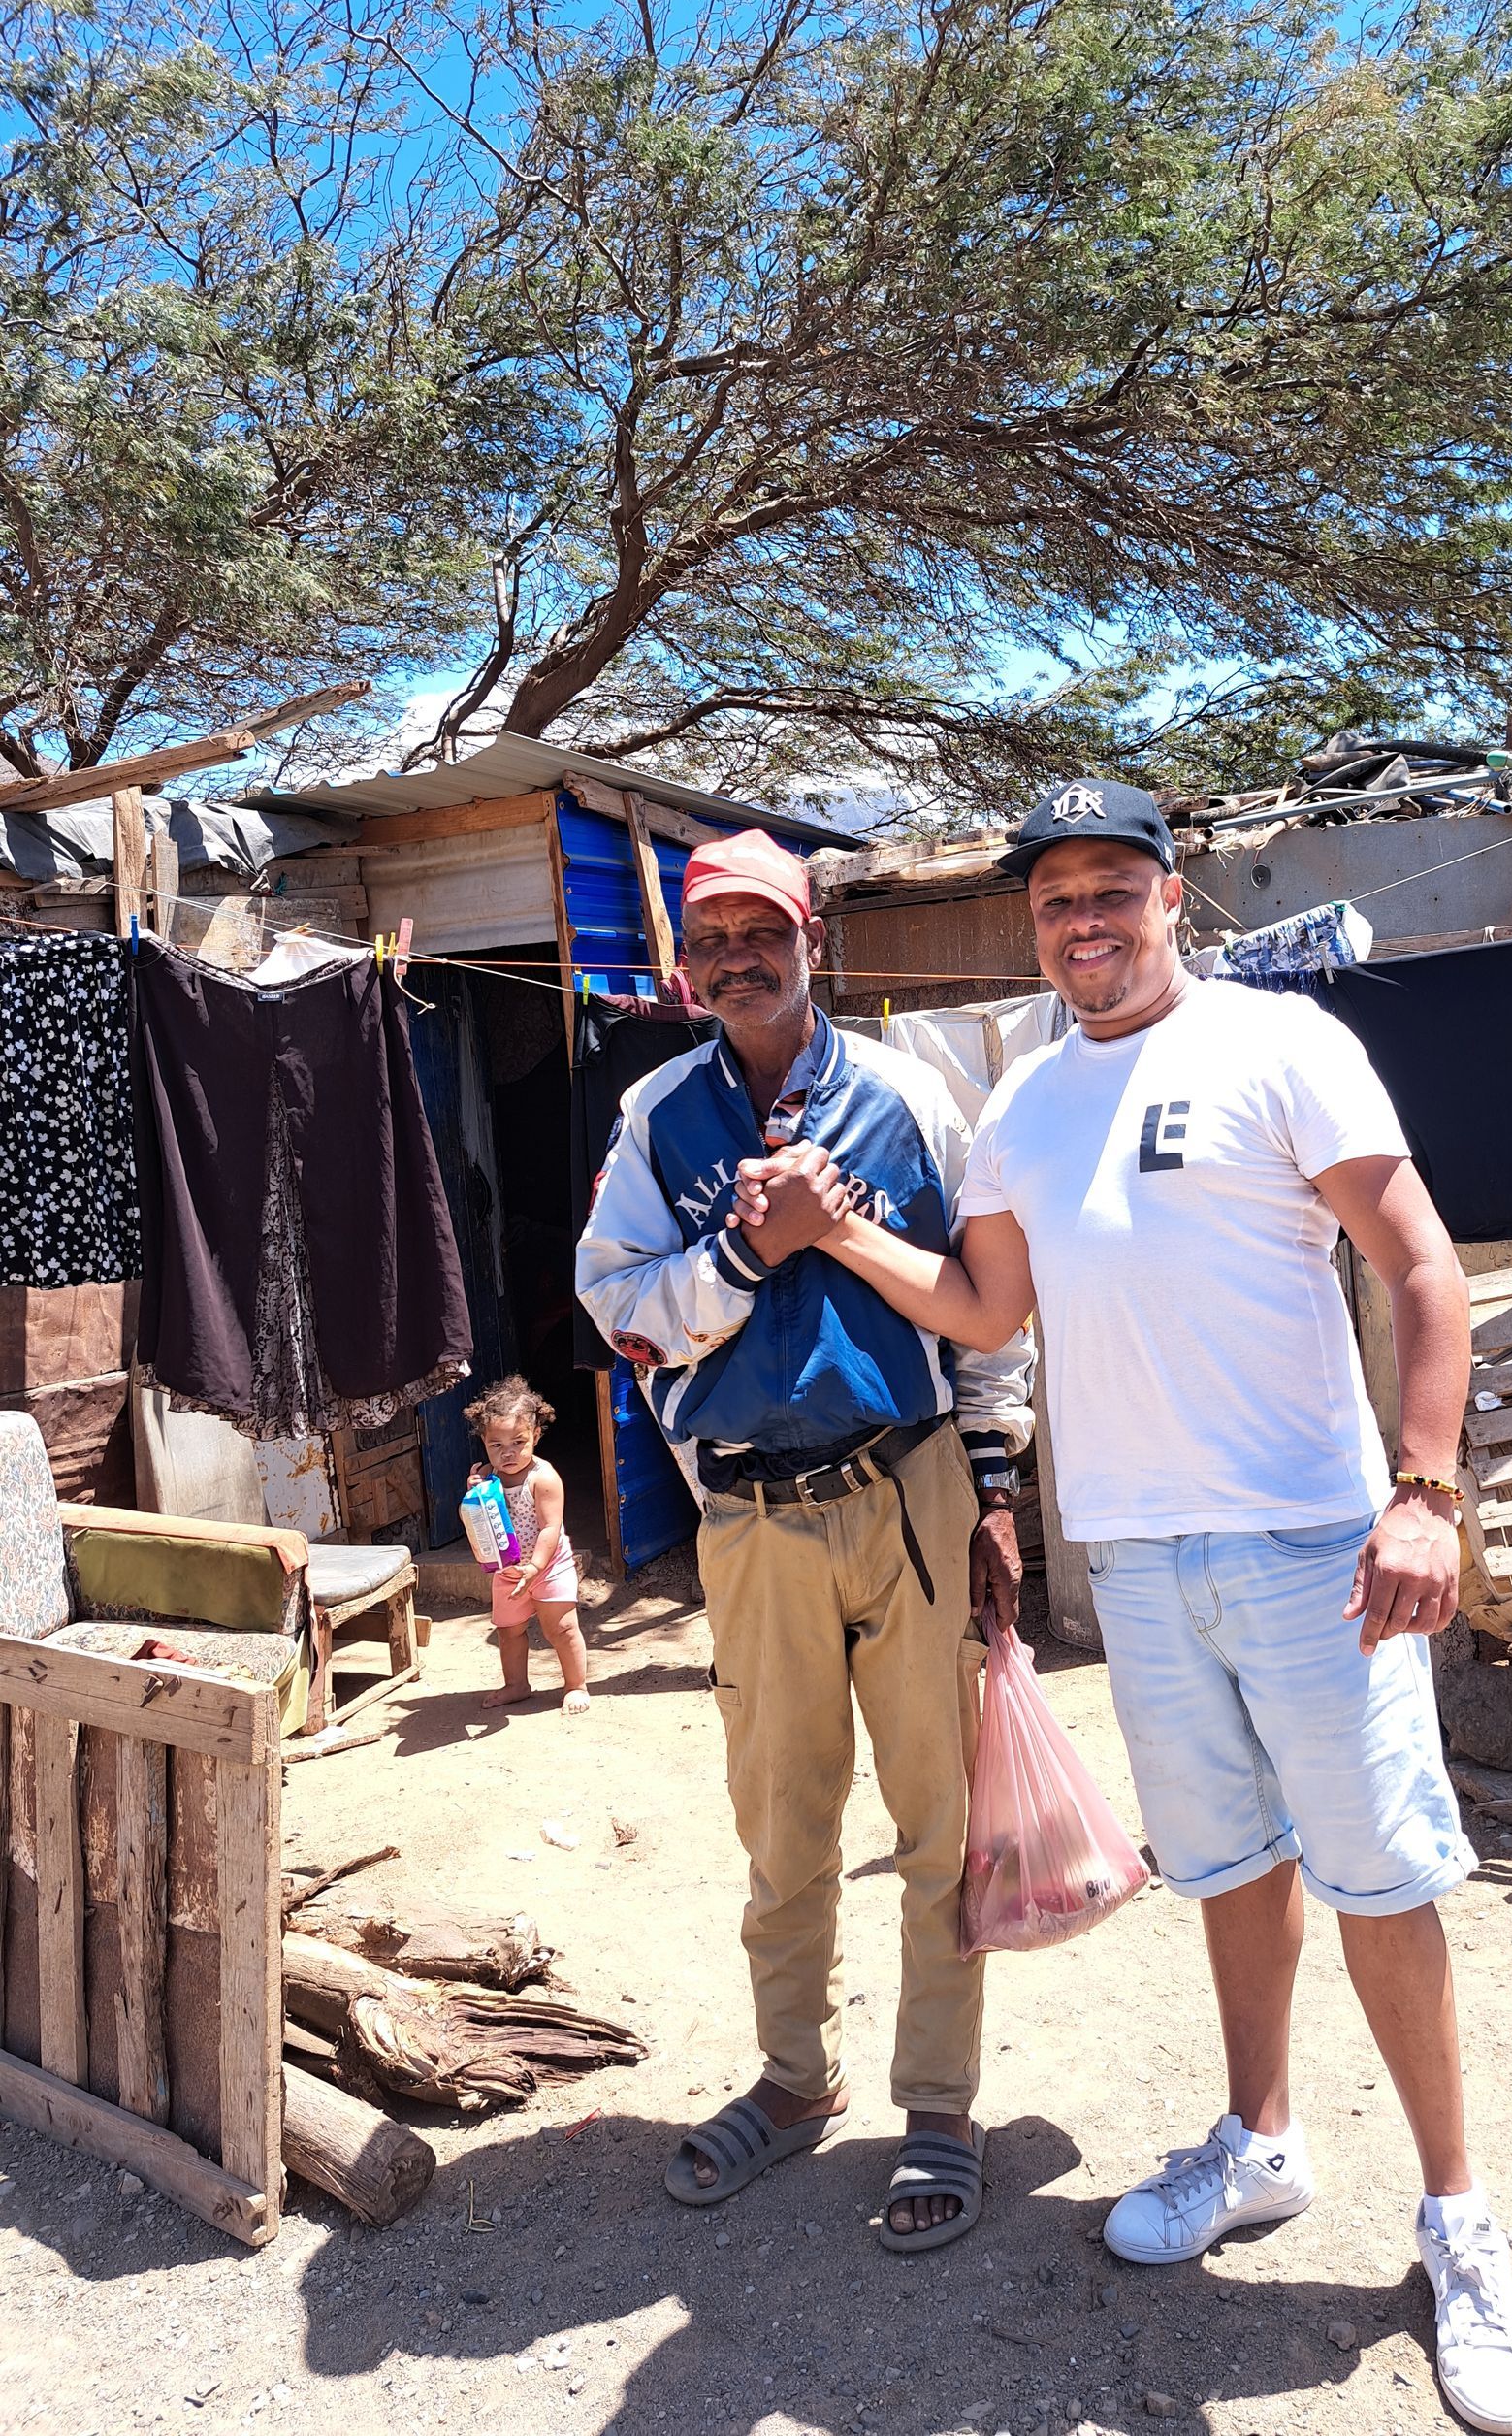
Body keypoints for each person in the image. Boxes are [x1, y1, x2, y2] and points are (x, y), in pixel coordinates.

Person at [732, 781, 1512, 2433]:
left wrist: (1424, 1491)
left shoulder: (1279, 1046)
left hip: (1316, 1549)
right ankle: (1261, 2142)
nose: (1084, 921)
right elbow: (984, 1308)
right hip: (1141, 1562)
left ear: (1175, 897)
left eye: (1114, 888)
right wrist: (839, 1234)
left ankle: (1459, 2220)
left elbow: (1423, 1270)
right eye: (1056, 900)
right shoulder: (1025, 1104)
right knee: (1227, 1866)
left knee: (1381, 1881)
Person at [575, 829, 1033, 2252]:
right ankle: (793, 2077)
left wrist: (996, 1484)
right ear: (684, 964)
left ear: (810, 943)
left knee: (940, 1821)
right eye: (711, 940)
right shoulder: (657, 1117)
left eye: (760, 933)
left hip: (910, 1493)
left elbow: (988, 1300)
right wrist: (742, 1256)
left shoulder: (908, 1098)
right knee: (781, 1819)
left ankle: (940, 2102)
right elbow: (616, 1304)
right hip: (752, 1520)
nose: (737, 961)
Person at [465, 1375, 590, 1715]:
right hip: (508, 1570)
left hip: (549, 1565)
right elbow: (478, 1516)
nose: (508, 1453)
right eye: (496, 1445)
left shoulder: (543, 1478)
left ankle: (576, 1685)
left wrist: (535, 1567)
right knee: (509, 1631)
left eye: (518, 1442)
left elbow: (550, 1528)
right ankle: (516, 1685)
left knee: (562, 1628)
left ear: (535, 1435)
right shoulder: (487, 1476)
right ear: (484, 1441)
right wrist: (474, 1490)